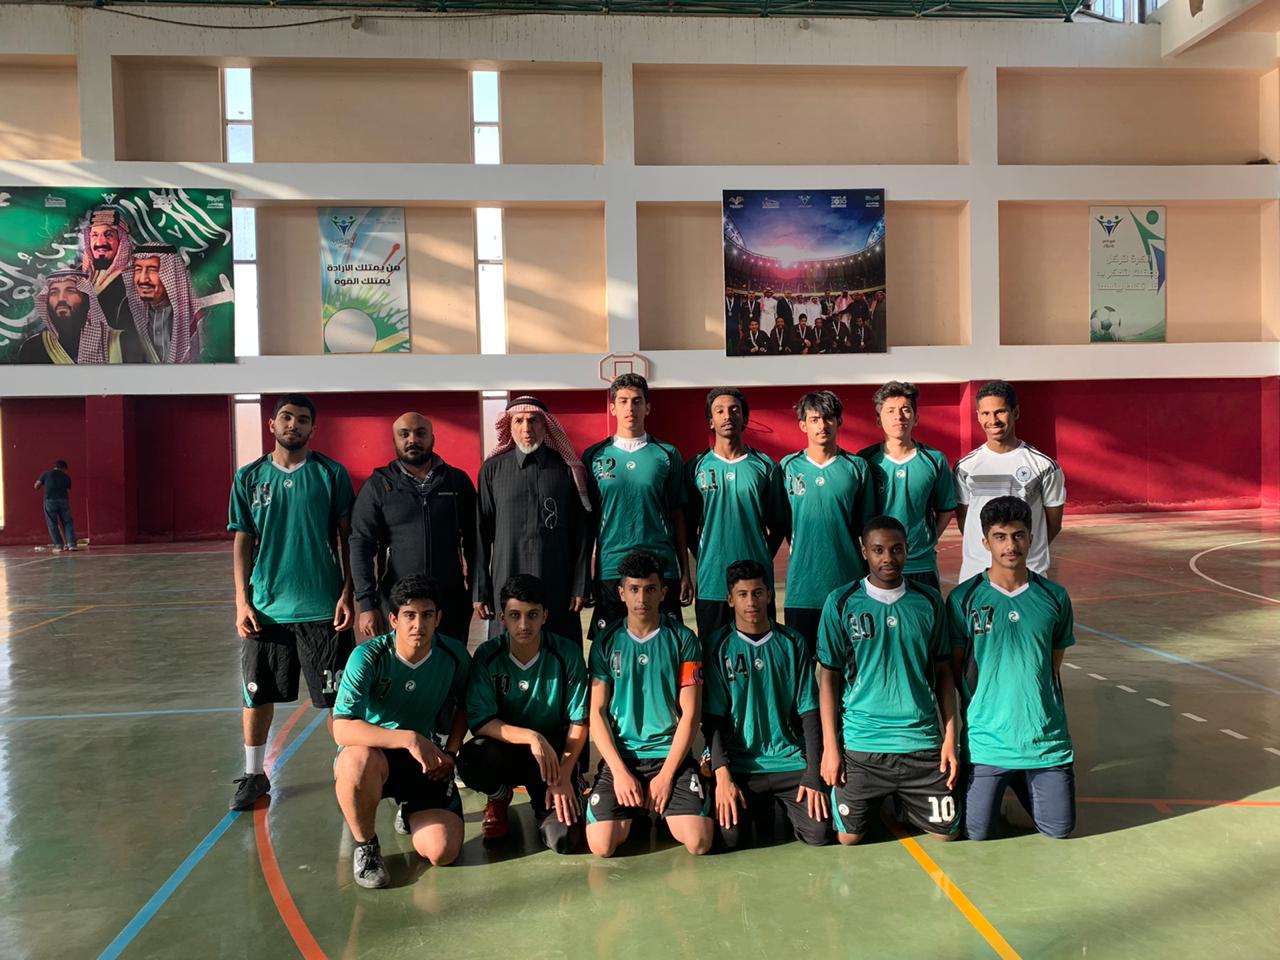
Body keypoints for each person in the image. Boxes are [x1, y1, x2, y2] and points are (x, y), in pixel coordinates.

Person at [227, 394, 356, 811]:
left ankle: (349, 768)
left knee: (339, 700)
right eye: (286, 417)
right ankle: (253, 774)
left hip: (323, 608)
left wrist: (348, 592)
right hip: (266, 610)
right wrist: (242, 601)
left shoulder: (331, 474)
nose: (293, 425)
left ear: (312, 428)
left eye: (302, 419)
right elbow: (242, 540)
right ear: (272, 424)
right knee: (256, 695)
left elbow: (348, 538)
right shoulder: (248, 477)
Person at [817, 516, 959, 845]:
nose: (888, 558)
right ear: (863, 551)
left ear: (907, 550)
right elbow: (828, 678)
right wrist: (831, 748)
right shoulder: (841, 602)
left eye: (896, 549)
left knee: (946, 836)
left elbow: (943, 672)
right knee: (848, 839)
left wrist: (950, 738)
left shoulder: (928, 601)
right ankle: (887, 798)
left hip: (920, 741)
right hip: (863, 745)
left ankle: (904, 801)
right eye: (878, 550)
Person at [947, 496, 1076, 841]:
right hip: (988, 741)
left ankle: (1022, 777)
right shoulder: (963, 599)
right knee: (976, 832)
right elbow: (958, 669)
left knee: (1059, 830)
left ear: (1031, 538)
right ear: (985, 542)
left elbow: (1051, 665)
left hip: (1044, 741)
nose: (1010, 545)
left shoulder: (1054, 597)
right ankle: (1007, 777)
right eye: (1000, 537)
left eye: (1018, 535)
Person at [332, 575, 470, 888]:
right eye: (409, 615)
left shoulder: (453, 655)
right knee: (355, 762)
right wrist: (408, 738)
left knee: (443, 851)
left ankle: (409, 810)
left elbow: (466, 706)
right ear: (394, 620)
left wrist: (451, 752)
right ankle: (366, 846)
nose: (418, 625)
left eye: (427, 615)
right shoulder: (368, 657)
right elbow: (342, 728)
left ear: (438, 618)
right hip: (375, 754)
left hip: (423, 761)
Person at [585, 551, 713, 857]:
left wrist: (666, 777)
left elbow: (691, 713)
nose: (642, 598)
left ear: (663, 592)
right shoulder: (605, 642)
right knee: (602, 846)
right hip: (624, 757)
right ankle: (636, 807)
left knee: (698, 842)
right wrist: (619, 773)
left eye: (650, 589)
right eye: (634, 589)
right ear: (621, 593)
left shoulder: (683, 640)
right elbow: (597, 713)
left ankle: (666, 805)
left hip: (669, 757)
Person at [702, 560, 832, 851]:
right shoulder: (717, 646)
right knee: (728, 838)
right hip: (741, 765)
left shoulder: (792, 642)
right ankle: (764, 809)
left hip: (789, 761)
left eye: (758, 593)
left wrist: (813, 774)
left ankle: (778, 809)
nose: (751, 602)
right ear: (730, 599)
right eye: (743, 594)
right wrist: (722, 774)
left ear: (769, 595)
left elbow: (810, 713)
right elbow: (713, 719)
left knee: (819, 832)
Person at [456, 574, 589, 852]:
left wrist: (564, 775)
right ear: (502, 618)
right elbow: (480, 721)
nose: (524, 625)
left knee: (564, 840)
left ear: (545, 616)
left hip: (551, 759)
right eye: (515, 615)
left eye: (532, 615)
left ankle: (551, 801)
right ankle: (499, 796)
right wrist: (531, 736)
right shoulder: (488, 655)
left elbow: (579, 720)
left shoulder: (567, 653)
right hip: (506, 749)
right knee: (471, 758)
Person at [350, 412, 477, 644]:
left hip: (450, 603)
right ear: (394, 441)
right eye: (404, 434)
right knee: (402, 665)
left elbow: (474, 541)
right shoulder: (378, 486)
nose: (412, 440)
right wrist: (367, 604)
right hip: (398, 604)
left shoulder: (457, 481)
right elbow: (361, 545)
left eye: (420, 433)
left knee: (451, 664)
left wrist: (477, 592)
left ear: (432, 439)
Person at [474, 395, 592, 643]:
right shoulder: (492, 470)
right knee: (506, 650)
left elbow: (581, 532)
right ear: (509, 426)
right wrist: (480, 589)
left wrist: (581, 584)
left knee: (558, 646)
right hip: (506, 575)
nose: (526, 428)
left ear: (545, 425)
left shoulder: (567, 469)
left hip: (556, 579)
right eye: (519, 421)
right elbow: (480, 534)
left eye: (533, 420)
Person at [583, 374, 690, 638]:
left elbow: (678, 514)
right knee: (608, 646)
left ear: (647, 407)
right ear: (612, 408)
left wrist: (686, 572)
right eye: (623, 401)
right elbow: (588, 521)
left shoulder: (667, 454)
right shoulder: (594, 456)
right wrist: (586, 574)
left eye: (637, 401)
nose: (630, 408)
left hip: (660, 565)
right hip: (611, 567)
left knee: (667, 644)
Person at [684, 387, 789, 639]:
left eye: (734, 410)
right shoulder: (695, 467)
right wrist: (707, 556)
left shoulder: (765, 466)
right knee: (713, 652)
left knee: (760, 649)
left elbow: (779, 524)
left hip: (756, 583)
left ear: (745, 418)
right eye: (719, 411)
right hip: (712, 582)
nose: (727, 416)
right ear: (711, 421)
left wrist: (760, 556)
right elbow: (687, 525)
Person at [780, 391, 874, 653]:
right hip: (802, 589)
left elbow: (867, 527)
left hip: (848, 585)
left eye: (828, 418)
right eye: (814, 419)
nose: (822, 425)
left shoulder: (857, 467)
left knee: (850, 662)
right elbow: (782, 522)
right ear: (803, 425)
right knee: (803, 664)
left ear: (839, 422)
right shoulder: (788, 467)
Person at [954, 381, 1065, 582]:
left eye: (1000, 412)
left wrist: (1022, 551)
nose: (993, 420)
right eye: (986, 413)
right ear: (978, 416)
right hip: (977, 572)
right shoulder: (965, 467)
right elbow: (964, 518)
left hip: (1029, 572)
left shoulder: (1044, 466)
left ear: (1015, 412)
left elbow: (1053, 524)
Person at [857, 381, 956, 592]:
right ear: (878, 420)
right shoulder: (864, 461)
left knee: (925, 612)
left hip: (922, 563)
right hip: (878, 564)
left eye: (905, 409)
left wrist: (927, 541)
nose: (899, 416)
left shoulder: (934, 460)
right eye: (890, 410)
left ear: (916, 417)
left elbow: (945, 509)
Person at [18, 270, 137, 364]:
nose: (61, 299)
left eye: (70, 291)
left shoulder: (122, 341)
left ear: (87, 300)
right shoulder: (33, 347)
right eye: (54, 292)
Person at [127, 244, 202, 363]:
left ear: (170, 274)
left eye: (152, 270)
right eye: (138, 269)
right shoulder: (125, 313)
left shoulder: (194, 317)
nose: (143, 279)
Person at [80, 206, 136, 332]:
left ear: (121, 240)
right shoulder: (78, 275)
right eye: (94, 235)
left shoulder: (134, 278)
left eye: (108, 234)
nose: (100, 242)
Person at [34, 459, 76, 552]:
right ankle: (72, 544)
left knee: (52, 523)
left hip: (50, 501)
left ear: (55, 466)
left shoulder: (46, 474)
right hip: (63, 500)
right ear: (64, 468)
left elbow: (36, 486)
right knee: (68, 522)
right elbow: (68, 487)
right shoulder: (66, 476)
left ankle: (59, 546)